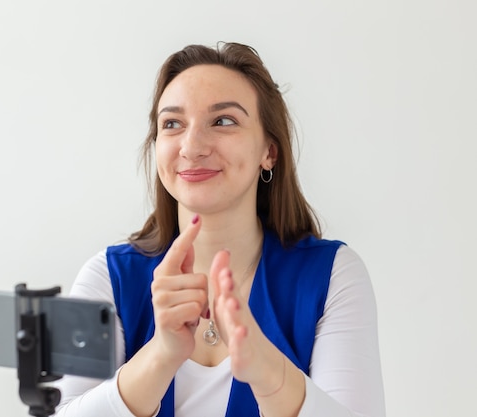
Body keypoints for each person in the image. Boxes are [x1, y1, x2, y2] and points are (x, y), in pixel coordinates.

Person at [54, 42, 385, 417]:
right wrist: (160, 355)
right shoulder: (104, 279)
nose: (192, 147)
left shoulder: (334, 275)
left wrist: (269, 372)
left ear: (269, 152)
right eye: (172, 124)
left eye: (223, 121)